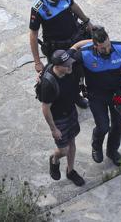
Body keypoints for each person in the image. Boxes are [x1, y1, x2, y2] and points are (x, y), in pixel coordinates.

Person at [71, 27, 121, 166]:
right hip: (96, 96)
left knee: (118, 125)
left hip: (117, 94)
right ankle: (96, 145)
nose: (107, 50)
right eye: (102, 48)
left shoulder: (119, 47)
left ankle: (112, 151)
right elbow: (65, 62)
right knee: (103, 126)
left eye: (108, 46)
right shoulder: (85, 54)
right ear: (95, 46)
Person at [29, 0, 91, 107]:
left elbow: (73, 5)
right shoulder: (38, 8)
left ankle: (78, 94)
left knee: (79, 70)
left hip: (75, 40)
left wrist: (87, 22)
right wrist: (37, 62)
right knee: (62, 76)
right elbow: (33, 35)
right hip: (57, 48)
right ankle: (67, 100)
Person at [39, 49, 88, 186]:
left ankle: (70, 171)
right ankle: (54, 159)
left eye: (70, 63)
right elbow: (45, 108)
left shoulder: (68, 69)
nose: (70, 66)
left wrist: (92, 35)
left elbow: (76, 46)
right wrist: (54, 129)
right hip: (58, 118)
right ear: (57, 66)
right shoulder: (48, 84)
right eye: (66, 65)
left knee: (72, 143)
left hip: (71, 111)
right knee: (63, 150)